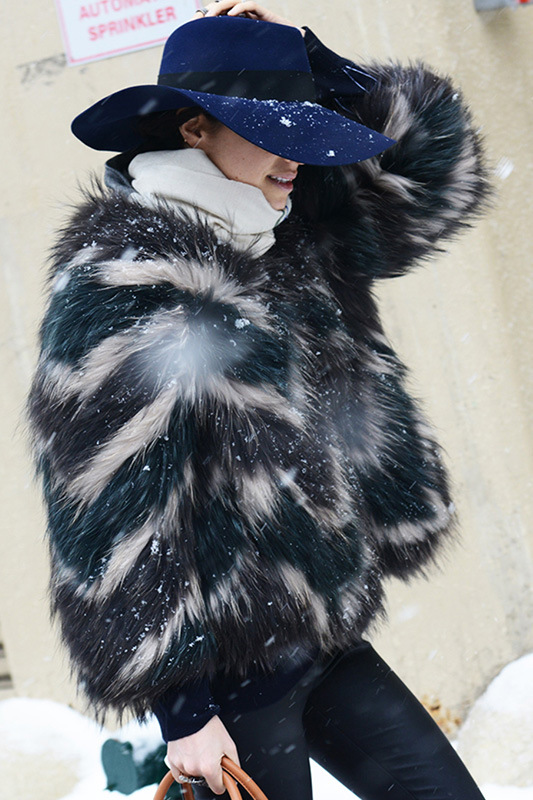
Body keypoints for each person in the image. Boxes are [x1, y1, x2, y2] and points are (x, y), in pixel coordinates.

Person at [28, 2, 490, 799]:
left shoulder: (290, 235)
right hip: (224, 670)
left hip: (322, 635)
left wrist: (325, 70)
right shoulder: (127, 278)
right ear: (192, 129)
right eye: (277, 130)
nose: (298, 160)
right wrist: (181, 711)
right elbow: (109, 518)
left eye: (308, 132)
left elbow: (432, 169)